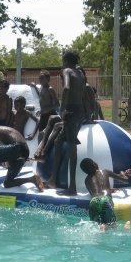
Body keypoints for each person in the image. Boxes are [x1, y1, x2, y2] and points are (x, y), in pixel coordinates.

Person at [45, 50, 87, 196]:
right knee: (58, 141)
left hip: (70, 111)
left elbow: (67, 88)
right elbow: (84, 91)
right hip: (80, 111)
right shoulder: (80, 73)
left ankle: (72, 188)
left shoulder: (67, 70)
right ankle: (52, 179)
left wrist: (62, 109)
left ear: (65, 60)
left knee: (71, 148)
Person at [79, 157, 128, 230]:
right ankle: (104, 226)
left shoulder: (86, 180)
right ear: (94, 163)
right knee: (112, 226)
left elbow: (95, 192)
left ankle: (102, 227)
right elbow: (125, 180)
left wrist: (110, 189)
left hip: (93, 201)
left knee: (95, 227)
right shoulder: (105, 171)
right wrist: (122, 173)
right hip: (105, 199)